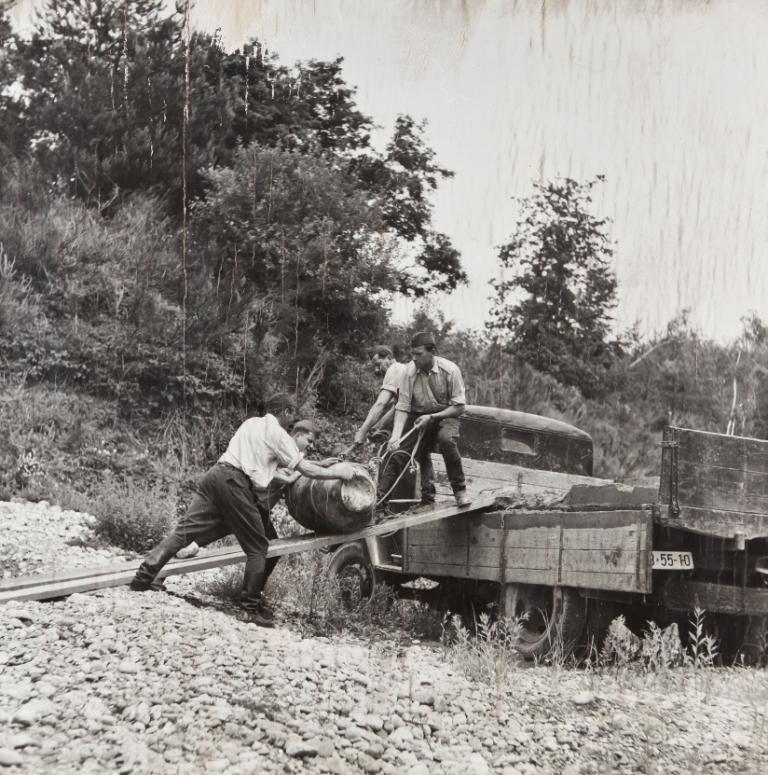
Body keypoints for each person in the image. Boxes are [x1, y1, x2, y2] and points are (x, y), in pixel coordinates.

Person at [130, 394, 355, 627]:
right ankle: (249, 608)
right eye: (291, 416)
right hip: (235, 484)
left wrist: (321, 464)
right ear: (285, 411)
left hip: (216, 475)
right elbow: (306, 470)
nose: (292, 423)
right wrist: (340, 473)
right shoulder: (277, 433)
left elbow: (281, 463)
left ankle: (142, 578)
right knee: (259, 547)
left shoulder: (251, 423)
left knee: (184, 532)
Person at [384, 331, 472, 507]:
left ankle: (460, 491)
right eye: (412, 354)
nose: (414, 359)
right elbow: (402, 406)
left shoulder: (450, 370)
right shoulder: (408, 372)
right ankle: (381, 504)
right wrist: (395, 436)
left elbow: (460, 407)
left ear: (433, 352)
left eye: (419, 354)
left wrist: (432, 417)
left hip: (447, 414)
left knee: (446, 440)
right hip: (418, 415)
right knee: (398, 452)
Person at [352, 345, 409, 447]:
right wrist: (377, 426)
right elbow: (396, 408)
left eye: (378, 364)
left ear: (388, 358)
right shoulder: (403, 368)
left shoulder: (394, 369)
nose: (376, 370)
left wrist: (362, 431)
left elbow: (380, 404)